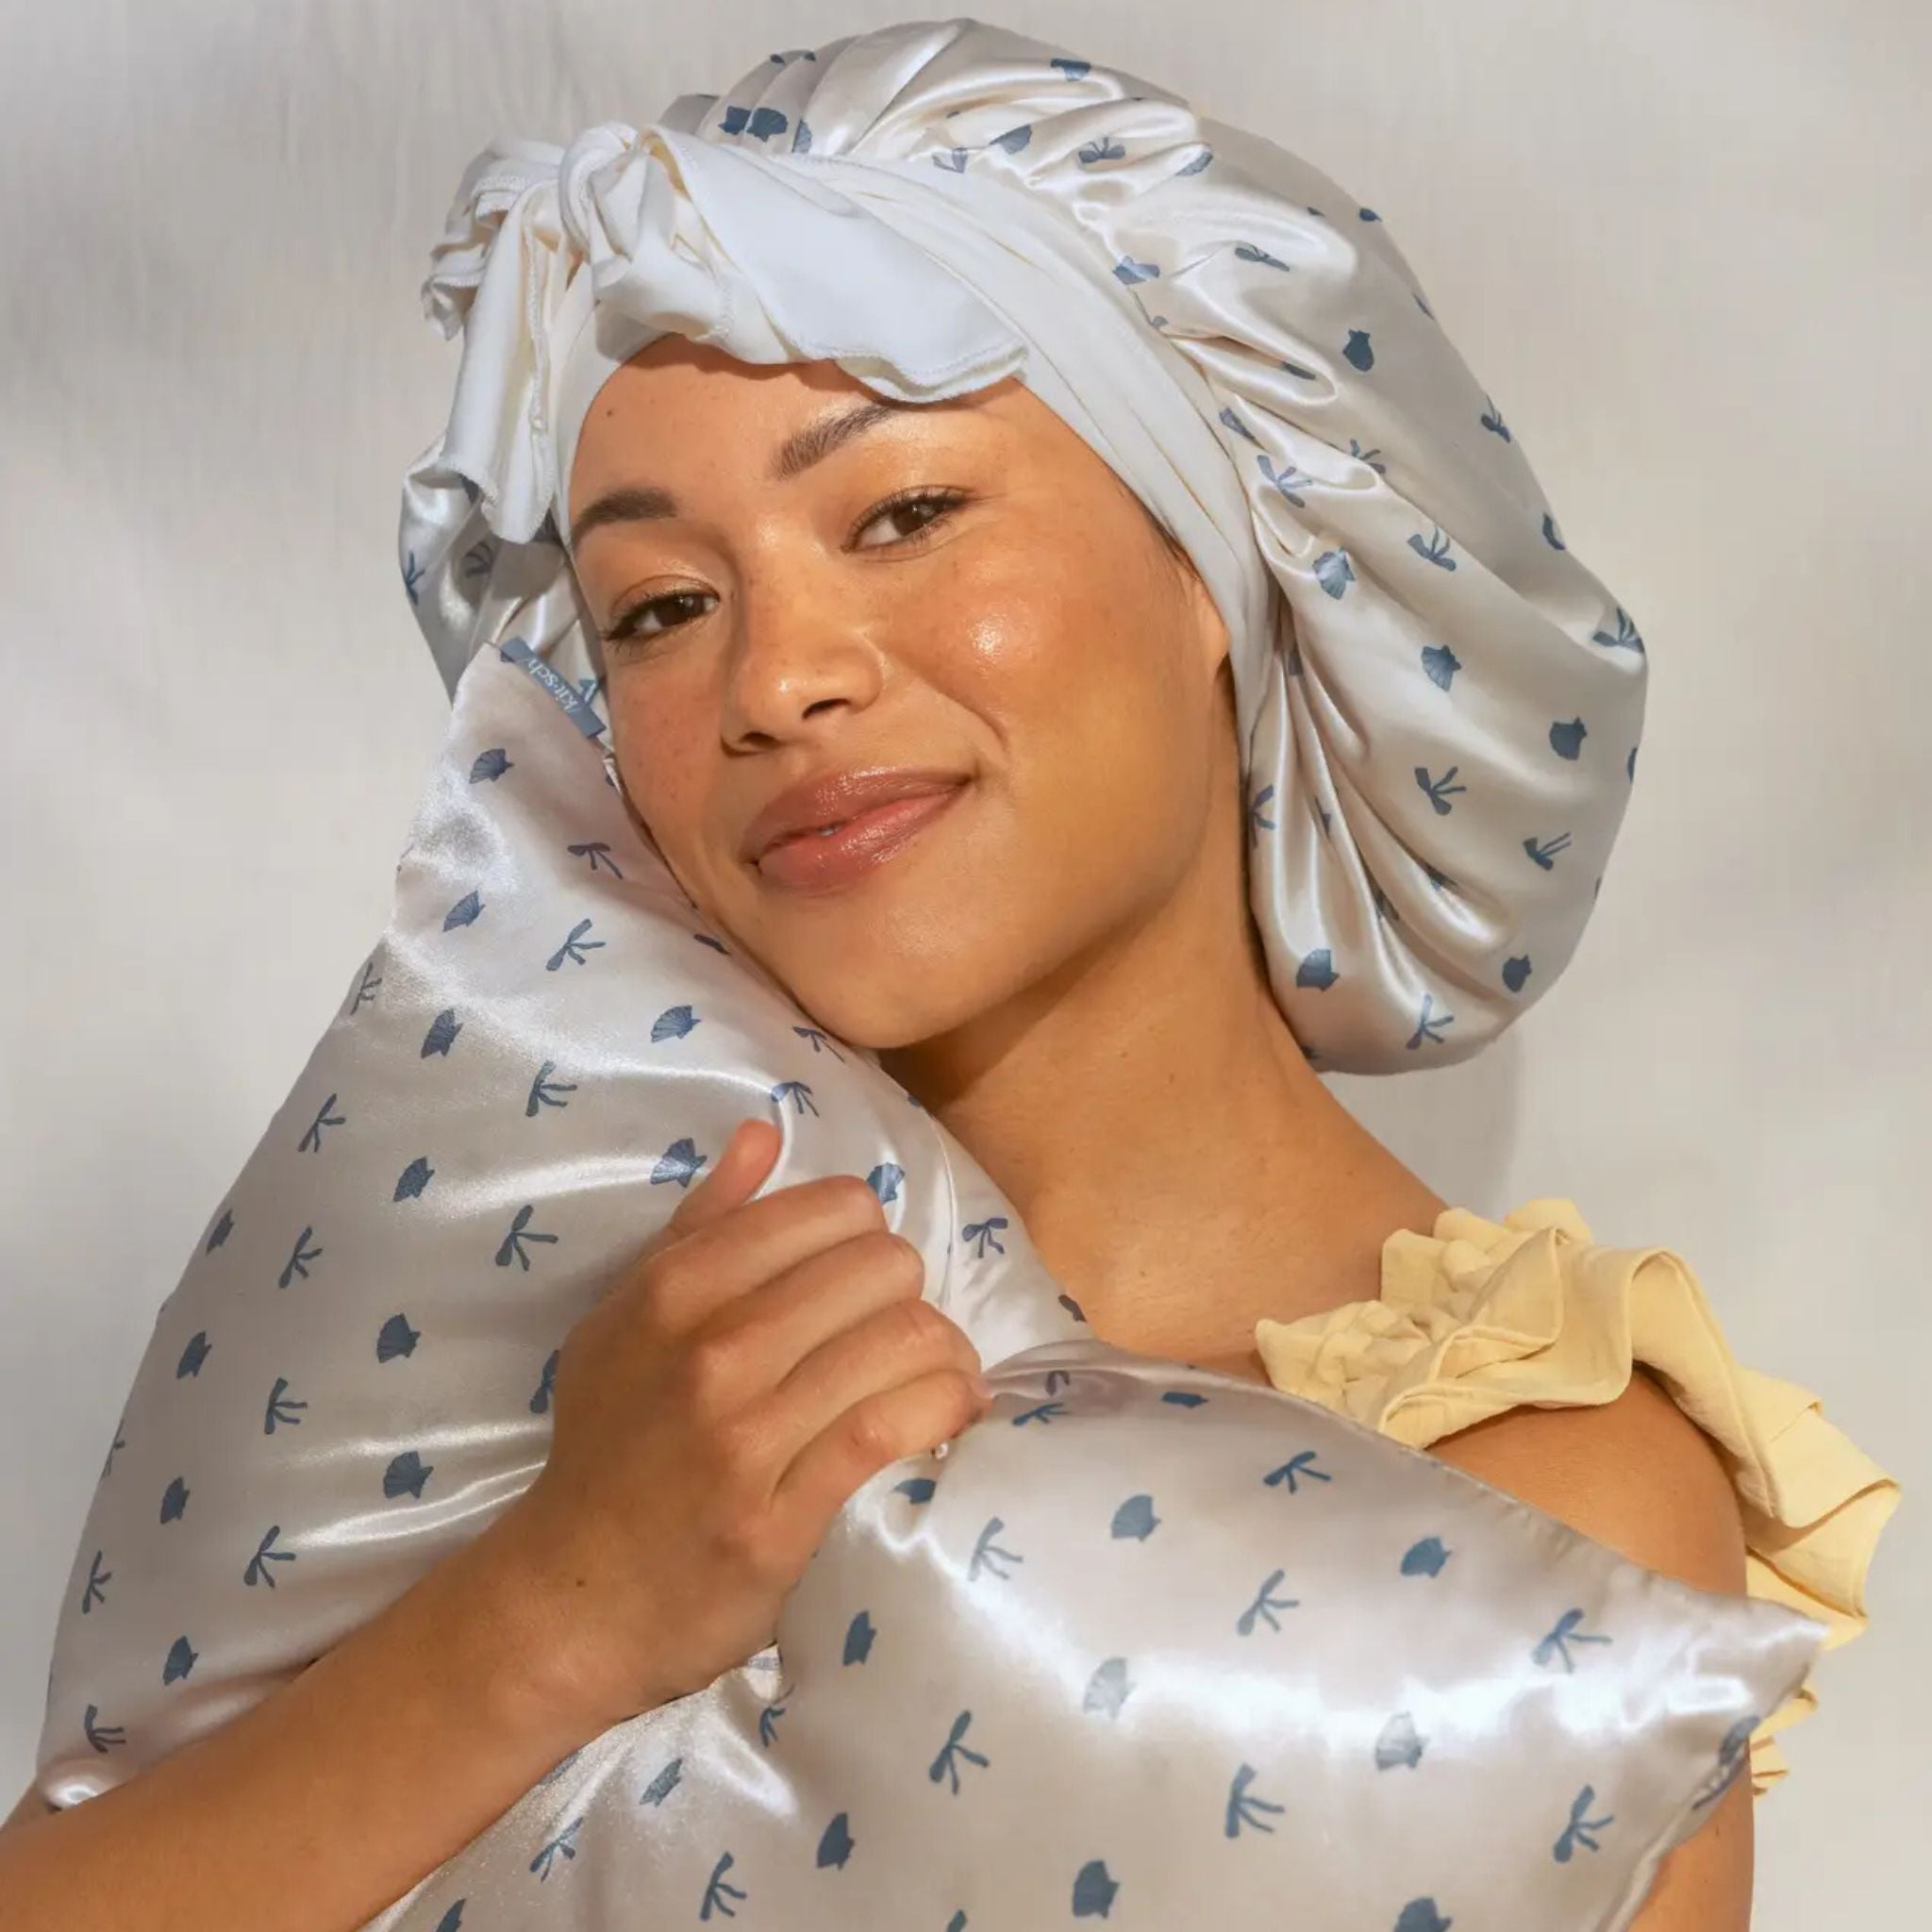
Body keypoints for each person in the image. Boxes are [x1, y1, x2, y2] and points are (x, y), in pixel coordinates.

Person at [2, 19, 1897, 1931]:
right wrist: (558, 1603)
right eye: (660, 607)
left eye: (903, 514)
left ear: (1218, 557)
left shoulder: (1524, 1522)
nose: (774, 680)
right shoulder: (548, 1296)